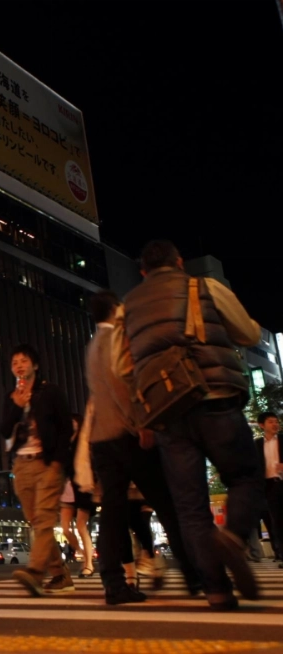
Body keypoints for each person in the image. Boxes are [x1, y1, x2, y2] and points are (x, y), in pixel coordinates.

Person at [113, 240, 263, 610]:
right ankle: (235, 538)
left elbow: (122, 368)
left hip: (168, 413)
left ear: (143, 272)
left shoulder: (126, 308)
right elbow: (248, 333)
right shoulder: (203, 286)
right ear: (179, 263)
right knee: (245, 475)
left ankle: (217, 590)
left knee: (190, 506)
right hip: (215, 398)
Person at [87, 288, 200, 605]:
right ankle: (194, 574)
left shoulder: (92, 345)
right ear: (114, 309)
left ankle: (113, 583)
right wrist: (141, 423)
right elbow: (123, 386)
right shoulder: (115, 340)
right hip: (126, 434)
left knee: (111, 513)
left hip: (101, 440)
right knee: (165, 502)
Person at [0, 344, 74, 596]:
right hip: (21, 466)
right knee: (36, 521)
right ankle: (60, 574)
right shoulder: (12, 396)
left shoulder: (50, 392)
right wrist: (18, 405)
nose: (19, 365)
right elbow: (3, 429)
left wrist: (58, 463)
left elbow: (66, 428)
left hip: (47, 462)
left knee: (43, 519)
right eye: (15, 362)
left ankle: (34, 573)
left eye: (24, 360)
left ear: (35, 365)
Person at [59, 413, 96, 578]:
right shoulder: (64, 441)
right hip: (67, 486)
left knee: (81, 526)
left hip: (83, 485)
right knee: (65, 529)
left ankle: (89, 564)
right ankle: (81, 552)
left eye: (74, 423)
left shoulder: (84, 441)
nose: (72, 425)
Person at [255, 412, 283, 568]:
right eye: (271, 421)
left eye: (276, 421)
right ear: (261, 425)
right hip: (269, 486)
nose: (275, 424)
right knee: (277, 522)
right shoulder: (257, 445)